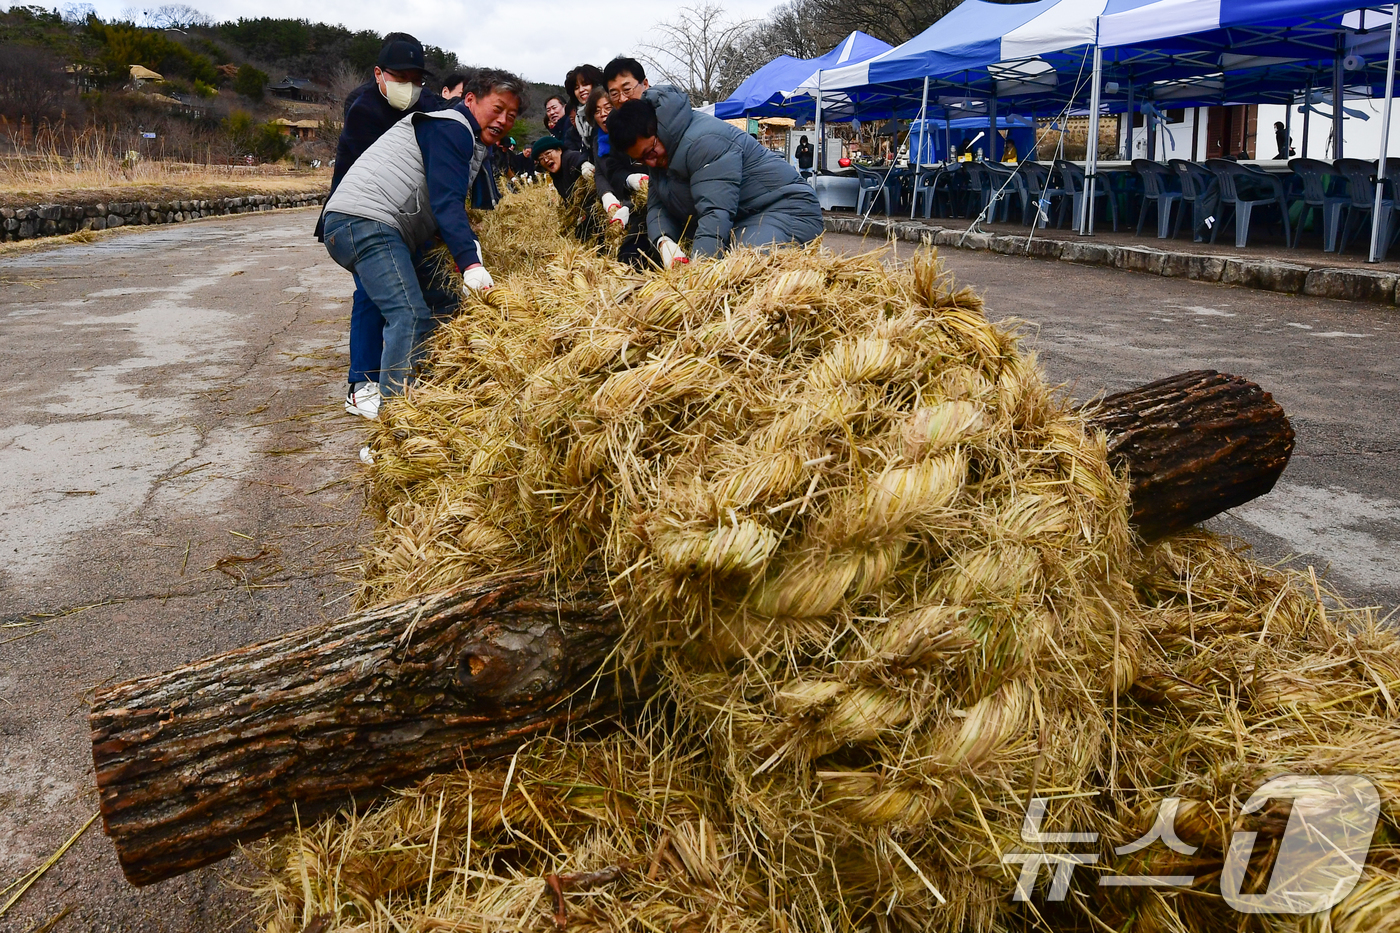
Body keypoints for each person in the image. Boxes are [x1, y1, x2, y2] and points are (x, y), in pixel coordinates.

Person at [321, 69, 525, 411]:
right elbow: (447, 203)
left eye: (512, 115)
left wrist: (467, 247)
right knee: (409, 314)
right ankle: (396, 421)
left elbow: (439, 205)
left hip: (379, 225)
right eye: (498, 108)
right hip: (364, 221)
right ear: (470, 99)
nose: (503, 120)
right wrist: (471, 265)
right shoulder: (452, 127)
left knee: (444, 298)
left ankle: (431, 387)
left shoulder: (466, 137)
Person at [320, 33, 448, 421]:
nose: (409, 87)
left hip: (405, 219)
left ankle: (414, 372)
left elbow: (449, 116)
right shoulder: (364, 109)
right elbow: (372, 176)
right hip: (362, 214)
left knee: (415, 294)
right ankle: (361, 384)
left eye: (416, 79)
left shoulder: (425, 101)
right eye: (400, 77)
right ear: (379, 74)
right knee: (372, 293)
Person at [609, 86, 824, 263]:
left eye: (649, 152)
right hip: (745, 218)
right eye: (640, 159)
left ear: (657, 129)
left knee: (743, 265)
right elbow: (658, 207)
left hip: (788, 209)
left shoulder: (704, 141)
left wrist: (698, 281)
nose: (650, 163)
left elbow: (714, 214)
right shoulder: (659, 152)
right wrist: (664, 242)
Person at [561, 64, 603, 150]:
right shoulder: (579, 120)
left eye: (585, 84)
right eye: (576, 88)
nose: (581, 90)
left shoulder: (610, 111)